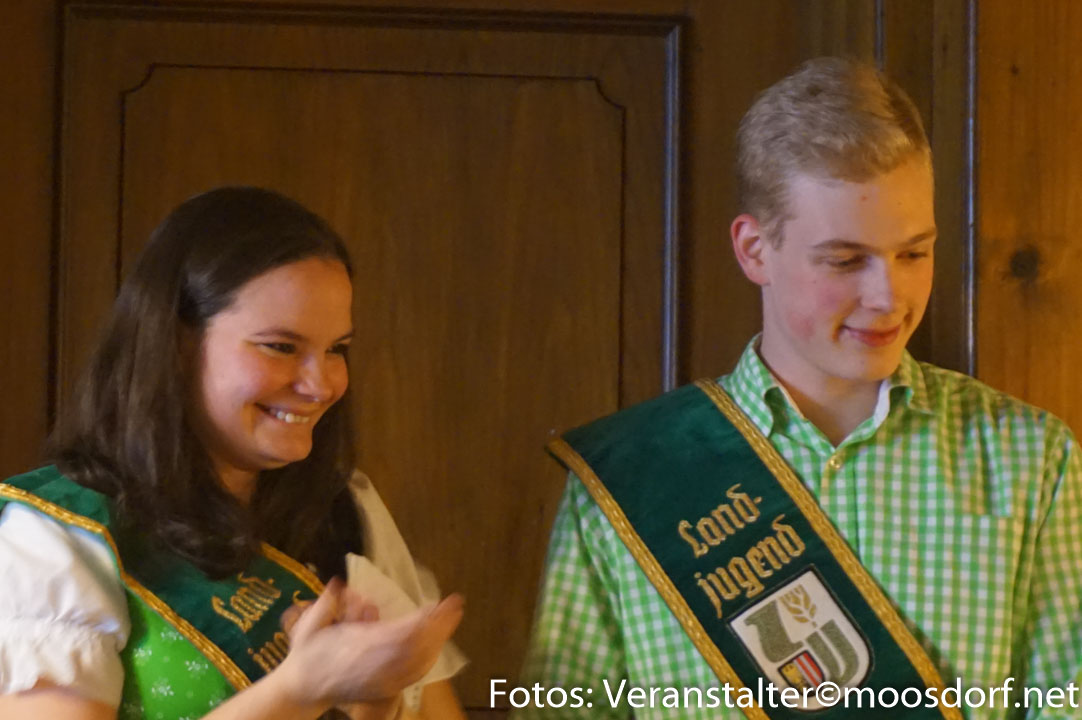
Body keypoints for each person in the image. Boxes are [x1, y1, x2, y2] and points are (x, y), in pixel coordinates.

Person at [517, 57, 1082, 719]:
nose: (889, 296)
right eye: (845, 260)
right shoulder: (629, 480)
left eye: (914, 253)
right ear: (755, 249)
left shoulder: (1031, 462)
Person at [0, 187, 468, 720]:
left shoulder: (344, 509)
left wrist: (376, 704)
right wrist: (297, 691)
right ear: (176, 344)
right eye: (281, 347)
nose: (321, 385)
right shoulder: (59, 536)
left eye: (337, 349)